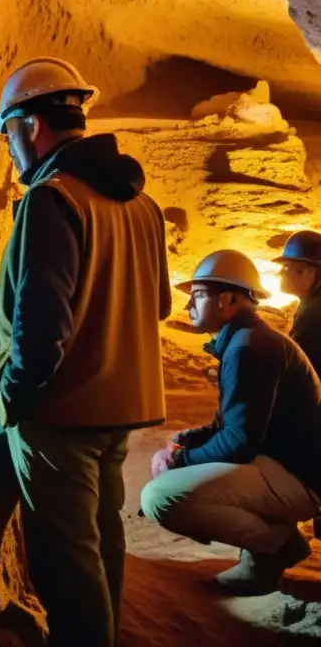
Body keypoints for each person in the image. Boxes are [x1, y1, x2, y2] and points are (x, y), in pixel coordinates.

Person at [0, 57, 171, 647]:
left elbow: (41, 329)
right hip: (121, 408)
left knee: (66, 563)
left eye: (8, 134)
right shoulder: (143, 206)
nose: (9, 150)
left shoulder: (51, 199)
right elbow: (158, 305)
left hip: (61, 416)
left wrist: (13, 400)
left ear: (30, 126)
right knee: (101, 540)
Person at [140, 250, 321, 595]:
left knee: (161, 497)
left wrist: (178, 460)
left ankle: (278, 545)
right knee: (185, 464)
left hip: (302, 479)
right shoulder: (247, 339)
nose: (188, 306)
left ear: (227, 300)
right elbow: (232, 424)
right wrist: (185, 440)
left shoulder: (247, 347)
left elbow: (239, 442)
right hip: (287, 465)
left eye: (197, 295)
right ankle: (267, 552)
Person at [276, 230, 321, 373]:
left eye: (287, 267)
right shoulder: (309, 304)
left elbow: (300, 371)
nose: (281, 273)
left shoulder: (314, 315)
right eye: (283, 267)